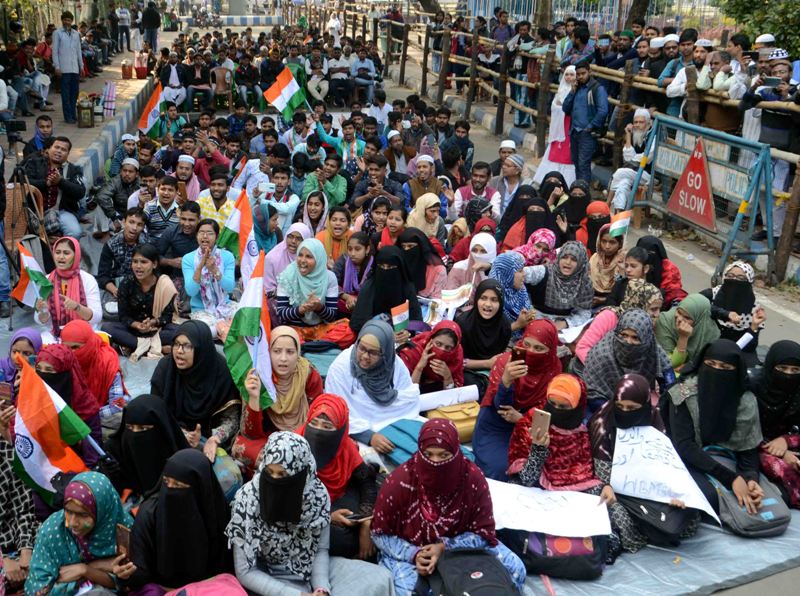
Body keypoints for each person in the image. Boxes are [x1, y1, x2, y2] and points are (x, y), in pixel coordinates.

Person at [227, 432, 394, 595]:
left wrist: (321, 588)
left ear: (301, 473)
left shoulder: (316, 494)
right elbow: (245, 571)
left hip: (314, 569)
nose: (275, 480)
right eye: (270, 472)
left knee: (380, 578)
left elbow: (320, 549)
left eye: (283, 474)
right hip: (272, 577)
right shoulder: (248, 500)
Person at [371, 419, 526, 594]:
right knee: (409, 591)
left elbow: (483, 533)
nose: (435, 462)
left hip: (461, 547)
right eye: (428, 455)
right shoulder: (400, 482)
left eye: (444, 455)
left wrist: (444, 548)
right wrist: (415, 555)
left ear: (456, 452)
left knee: (515, 569)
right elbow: (380, 535)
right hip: (410, 553)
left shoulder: (472, 478)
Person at [506, 374, 642, 556]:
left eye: (564, 406)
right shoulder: (529, 423)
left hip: (574, 493)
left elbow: (583, 475)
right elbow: (526, 480)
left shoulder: (579, 431)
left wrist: (604, 486)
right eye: (552, 403)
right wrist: (538, 449)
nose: (556, 410)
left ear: (577, 406)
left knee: (616, 512)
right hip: (536, 491)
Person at [666, 340, 766, 515]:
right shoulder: (684, 394)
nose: (717, 371)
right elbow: (684, 445)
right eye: (711, 364)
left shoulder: (745, 400)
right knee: (706, 498)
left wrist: (751, 478)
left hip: (727, 458)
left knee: (765, 495)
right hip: (689, 459)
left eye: (725, 368)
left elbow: (748, 448)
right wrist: (732, 479)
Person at [120, 449, 231, 589]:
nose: (170, 490)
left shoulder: (217, 513)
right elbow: (140, 568)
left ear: (200, 488)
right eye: (166, 482)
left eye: (179, 486)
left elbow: (226, 563)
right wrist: (126, 574)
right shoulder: (149, 512)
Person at [474, 319, 561, 480]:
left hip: (531, 427)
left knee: (546, 469)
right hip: (497, 425)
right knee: (501, 469)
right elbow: (500, 407)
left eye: (539, 348)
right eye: (526, 345)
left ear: (550, 350)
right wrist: (506, 381)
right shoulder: (505, 362)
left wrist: (522, 419)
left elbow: (547, 410)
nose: (530, 351)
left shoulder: (553, 369)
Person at [297, 394, 380, 559]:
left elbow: (367, 484)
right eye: (313, 423)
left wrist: (365, 523)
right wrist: (327, 517)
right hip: (301, 510)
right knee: (341, 539)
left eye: (327, 427)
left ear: (341, 430)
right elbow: (283, 503)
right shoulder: (294, 448)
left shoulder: (345, 447)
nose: (318, 431)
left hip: (336, 496)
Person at [25, 472, 133, 595]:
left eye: (83, 515)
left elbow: (126, 583)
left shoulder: (121, 527)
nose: (71, 523)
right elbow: (38, 589)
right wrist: (99, 568)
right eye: (68, 511)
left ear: (102, 511)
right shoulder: (53, 530)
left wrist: (86, 570)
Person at [233, 327, 323, 472]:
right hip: (267, 440)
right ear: (268, 352)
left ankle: (275, 469)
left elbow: (317, 414)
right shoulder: (257, 375)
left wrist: (293, 442)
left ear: (298, 353)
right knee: (241, 447)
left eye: (290, 352)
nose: (283, 358)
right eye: (276, 351)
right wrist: (254, 397)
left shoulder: (308, 373)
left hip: (301, 437)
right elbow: (250, 433)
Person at [325, 319, 420, 453]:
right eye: (362, 348)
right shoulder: (341, 367)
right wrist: (369, 437)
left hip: (394, 424)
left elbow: (408, 400)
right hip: (354, 432)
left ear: (386, 353)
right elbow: (337, 411)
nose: (365, 356)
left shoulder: (394, 364)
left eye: (373, 352)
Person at [150, 320, 241, 460]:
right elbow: (156, 411)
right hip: (171, 432)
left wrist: (214, 439)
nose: (179, 351)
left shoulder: (220, 371)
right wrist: (181, 433)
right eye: (176, 344)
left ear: (201, 348)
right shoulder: (166, 368)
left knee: (225, 476)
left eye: (187, 346)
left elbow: (232, 419)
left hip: (209, 437)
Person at [582, 308, 673, 413]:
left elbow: (669, 379)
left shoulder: (651, 347)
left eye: (635, 338)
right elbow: (593, 395)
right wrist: (621, 412)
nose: (628, 342)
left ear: (646, 338)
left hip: (640, 402)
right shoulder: (601, 354)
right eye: (624, 335)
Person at [105, 394, 190, 496]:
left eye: (143, 428)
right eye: (130, 427)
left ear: (162, 427)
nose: (135, 434)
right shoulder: (116, 451)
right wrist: (108, 474)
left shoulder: (181, 454)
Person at [102, 243, 180, 354]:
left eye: (143, 262)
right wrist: (138, 325)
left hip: (157, 331)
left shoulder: (164, 284)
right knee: (107, 328)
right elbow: (123, 317)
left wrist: (152, 322)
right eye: (135, 261)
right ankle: (158, 348)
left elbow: (167, 316)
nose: (138, 266)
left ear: (154, 264)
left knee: (180, 331)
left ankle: (135, 347)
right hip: (133, 331)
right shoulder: (126, 283)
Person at [751, 341, 800, 508]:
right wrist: (781, 453)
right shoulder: (753, 388)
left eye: (795, 370)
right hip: (752, 446)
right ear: (771, 367)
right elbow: (743, 432)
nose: (788, 375)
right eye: (782, 369)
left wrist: (787, 441)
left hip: (787, 442)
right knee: (781, 468)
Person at [576, 278, 664, 366]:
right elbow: (583, 348)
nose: (657, 314)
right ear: (639, 305)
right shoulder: (609, 317)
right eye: (653, 309)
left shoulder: (645, 326)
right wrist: (602, 371)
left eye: (659, 309)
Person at [61, 320, 128, 425]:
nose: (71, 353)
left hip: (100, 413)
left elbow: (116, 406)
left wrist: (85, 416)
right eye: (66, 348)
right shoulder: (61, 360)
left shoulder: (107, 362)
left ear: (89, 344)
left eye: (75, 347)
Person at [700, 261, 767, 364]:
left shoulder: (754, 308)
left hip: (736, 352)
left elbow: (748, 347)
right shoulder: (710, 295)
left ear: (749, 281)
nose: (734, 280)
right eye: (730, 276)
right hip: (706, 347)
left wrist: (753, 327)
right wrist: (725, 314)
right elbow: (695, 306)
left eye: (741, 278)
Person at [35, 237, 101, 340]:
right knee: (39, 343)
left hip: (83, 334)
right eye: (57, 252)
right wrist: (42, 311)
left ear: (76, 256)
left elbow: (97, 317)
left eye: (66, 253)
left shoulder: (88, 279)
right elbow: (40, 321)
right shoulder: (46, 281)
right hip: (55, 335)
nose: (61, 257)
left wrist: (77, 307)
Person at [348, 246, 422, 335]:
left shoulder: (407, 287)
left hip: (401, 336)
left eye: (390, 267)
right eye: (381, 266)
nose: (385, 270)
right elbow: (359, 322)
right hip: (372, 336)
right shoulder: (369, 286)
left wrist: (407, 332)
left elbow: (416, 321)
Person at [23, 137, 86, 238]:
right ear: (50, 149)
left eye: (63, 149)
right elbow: (23, 182)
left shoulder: (73, 169)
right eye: (56, 147)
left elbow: (80, 192)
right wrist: (46, 183)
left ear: (68, 154)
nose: (59, 151)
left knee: (75, 232)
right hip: (34, 212)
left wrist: (61, 182)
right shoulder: (35, 163)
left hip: (62, 212)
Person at [523, 240, 594, 330]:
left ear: (580, 263)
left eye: (574, 259)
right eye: (564, 257)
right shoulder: (544, 272)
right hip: (535, 319)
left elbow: (584, 312)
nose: (568, 262)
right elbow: (520, 275)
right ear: (559, 257)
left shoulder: (585, 283)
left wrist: (565, 323)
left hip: (564, 327)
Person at [275, 238, 340, 336]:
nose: (303, 260)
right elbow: (281, 314)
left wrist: (318, 307)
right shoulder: (288, 275)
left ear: (319, 259)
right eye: (300, 255)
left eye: (309, 256)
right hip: (293, 331)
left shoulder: (329, 277)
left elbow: (331, 317)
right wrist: (301, 309)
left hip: (321, 331)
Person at [181, 219, 236, 329]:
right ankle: (223, 330)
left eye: (210, 233)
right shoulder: (188, 258)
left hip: (225, 305)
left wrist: (214, 269)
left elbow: (229, 287)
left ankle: (224, 329)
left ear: (217, 236)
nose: (205, 236)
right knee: (209, 330)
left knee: (248, 318)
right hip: (201, 309)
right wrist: (200, 266)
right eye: (201, 232)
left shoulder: (227, 256)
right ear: (196, 235)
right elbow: (191, 291)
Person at [0, 434, 38, 591]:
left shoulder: (5, 451)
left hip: (13, 539)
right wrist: (3, 560)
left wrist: (26, 549)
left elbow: (23, 509)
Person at [563, 61, 609, 183]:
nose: (580, 76)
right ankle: (579, 189)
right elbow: (565, 108)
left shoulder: (597, 89)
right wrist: (572, 92)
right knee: (576, 162)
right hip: (574, 131)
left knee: (583, 163)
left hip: (587, 133)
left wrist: (590, 126)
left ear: (590, 72)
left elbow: (603, 111)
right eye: (578, 74)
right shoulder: (576, 88)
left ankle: (582, 192)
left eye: (583, 73)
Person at [534, 66, 577, 186]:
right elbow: (554, 106)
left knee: (568, 152)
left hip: (570, 124)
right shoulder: (561, 90)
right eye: (567, 74)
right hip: (559, 126)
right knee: (556, 149)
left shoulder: (577, 91)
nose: (569, 77)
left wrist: (563, 106)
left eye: (571, 74)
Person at [656, 293, 721, 371]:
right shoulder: (665, 321)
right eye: (679, 312)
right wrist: (683, 338)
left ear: (699, 320)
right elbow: (668, 364)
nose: (679, 319)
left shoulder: (711, 332)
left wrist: (689, 366)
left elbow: (708, 363)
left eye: (687, 317)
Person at [398, 321, 465, 394]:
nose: (442, 350)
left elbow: (452, 396)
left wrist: (447, 377)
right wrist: (419, 367)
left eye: (448, 347)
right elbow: (408, 393)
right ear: (431, 339)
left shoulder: (456, 355)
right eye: (438, 344)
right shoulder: (413, 352)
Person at [636, 235, 687, 308]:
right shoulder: (634, 265)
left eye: (650, 253)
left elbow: (673, 292)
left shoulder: (670, 269)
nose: (647, 257)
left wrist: (659, 295)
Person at [397, 228, 447, 299]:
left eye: (410, 246)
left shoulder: (438, 270)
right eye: (403, 247)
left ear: (421, 247)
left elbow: (437, 301)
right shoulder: (398, 266)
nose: (406, 250)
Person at [264, 223, 312, 297]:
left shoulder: (312, 258)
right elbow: (268, 290)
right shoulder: (272, 258)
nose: (293, 241)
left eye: (298, 238)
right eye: (290, 236)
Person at [52, 12, 83, 124]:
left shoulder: (76, 34)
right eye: (65, 20)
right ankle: (68, 117)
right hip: (64, 69)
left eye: (69, 20)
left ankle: (73, 115)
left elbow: (78, 51)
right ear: (62, 20)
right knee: (65, 94)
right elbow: (55, 51)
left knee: (74, 94)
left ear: (72, 21)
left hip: (75, 68)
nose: (67, 22)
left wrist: (82, 66)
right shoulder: (57, 33)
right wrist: (57, 67)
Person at [334, 232, 374, 315]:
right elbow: (331, 283)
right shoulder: (343, 260)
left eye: (357, 249)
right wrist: (347, 297)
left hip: (365, 306)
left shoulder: (374, 265)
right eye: (350, 249)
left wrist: (357, 301)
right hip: (343, 303)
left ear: (367, 249)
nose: (352, 253)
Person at [589, 223, 625, 305]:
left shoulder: (624, 262)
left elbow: (622, 294)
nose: (607, 246)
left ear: (620, 244)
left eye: (612, 242)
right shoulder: (594, 258)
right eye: (604, 241)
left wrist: (603, 300)